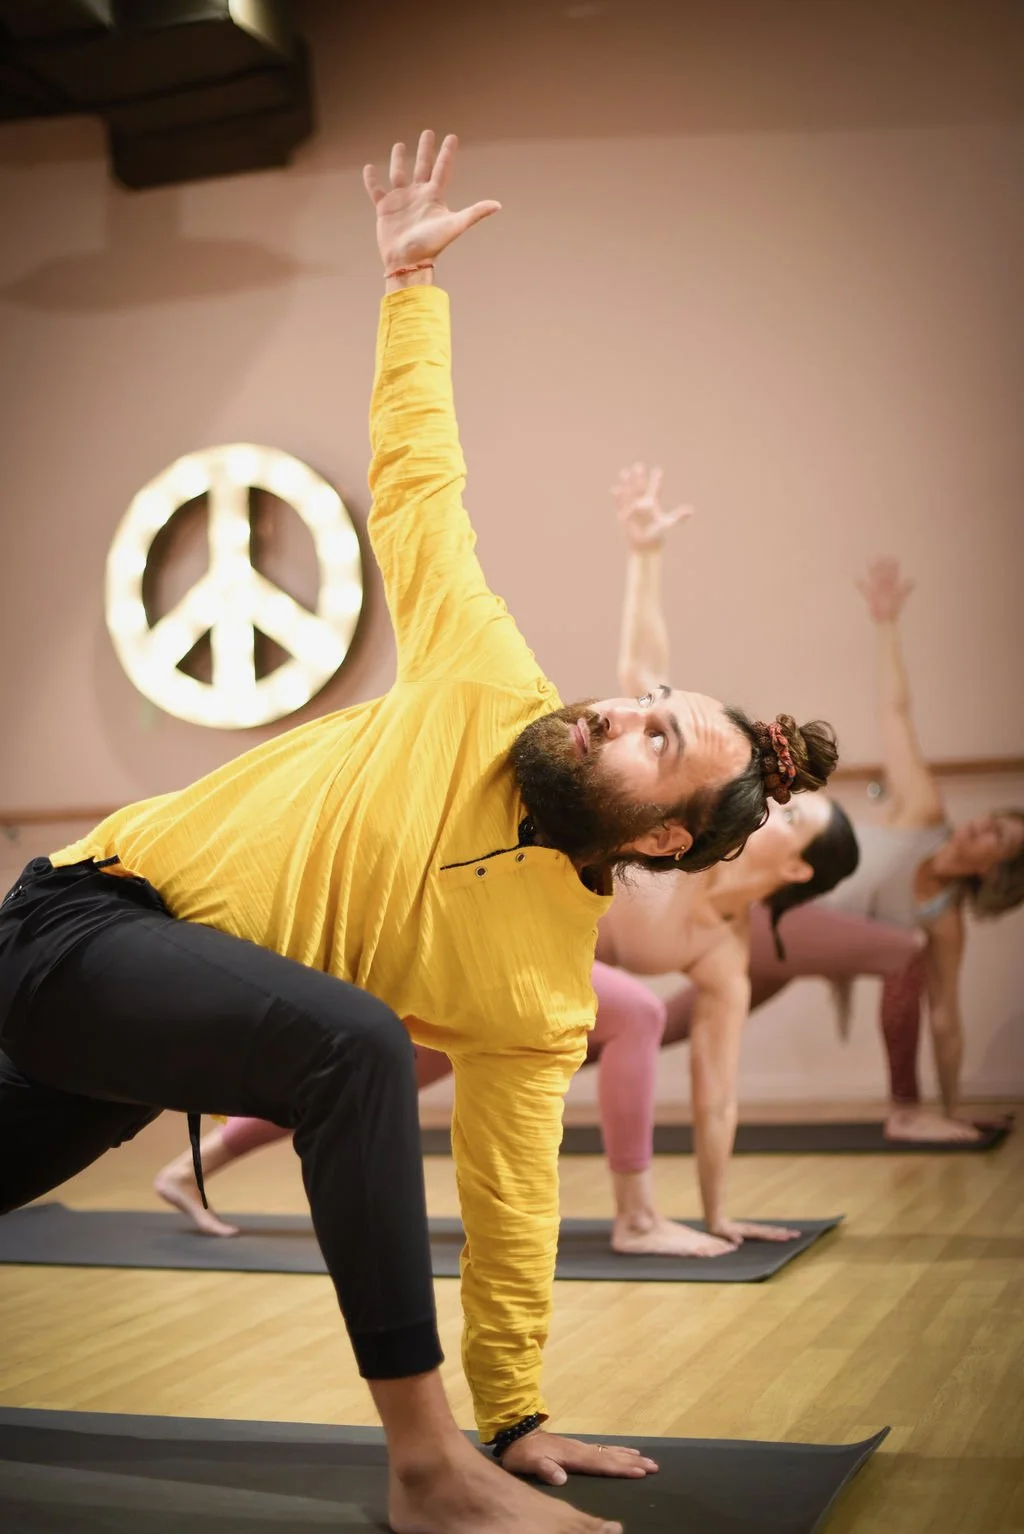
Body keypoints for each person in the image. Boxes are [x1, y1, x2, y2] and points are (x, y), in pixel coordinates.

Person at [0, 133, 835, 1534]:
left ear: (660, 844)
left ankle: (473, 1443)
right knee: (358, 1044)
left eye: (655, 739)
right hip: (85, 921)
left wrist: (521, 1408)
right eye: (645, 700)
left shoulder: (540, 992)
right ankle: (426, 1469)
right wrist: (407, 287)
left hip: (146, 1045)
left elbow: (512, 1199)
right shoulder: (484, 680)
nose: (617, 711)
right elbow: (418, 484)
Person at [809, 557, 1024, 1139]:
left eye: (998, 837)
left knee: (908, 957)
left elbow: (946, 1018)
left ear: (997, 872)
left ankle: (909, 1111)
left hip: (813, 940)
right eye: (992, 820)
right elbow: (895, 714)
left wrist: (953, 1111)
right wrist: (885, 624)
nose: (980, 826)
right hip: (779, 903)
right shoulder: (925, 811)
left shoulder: (945, 920)